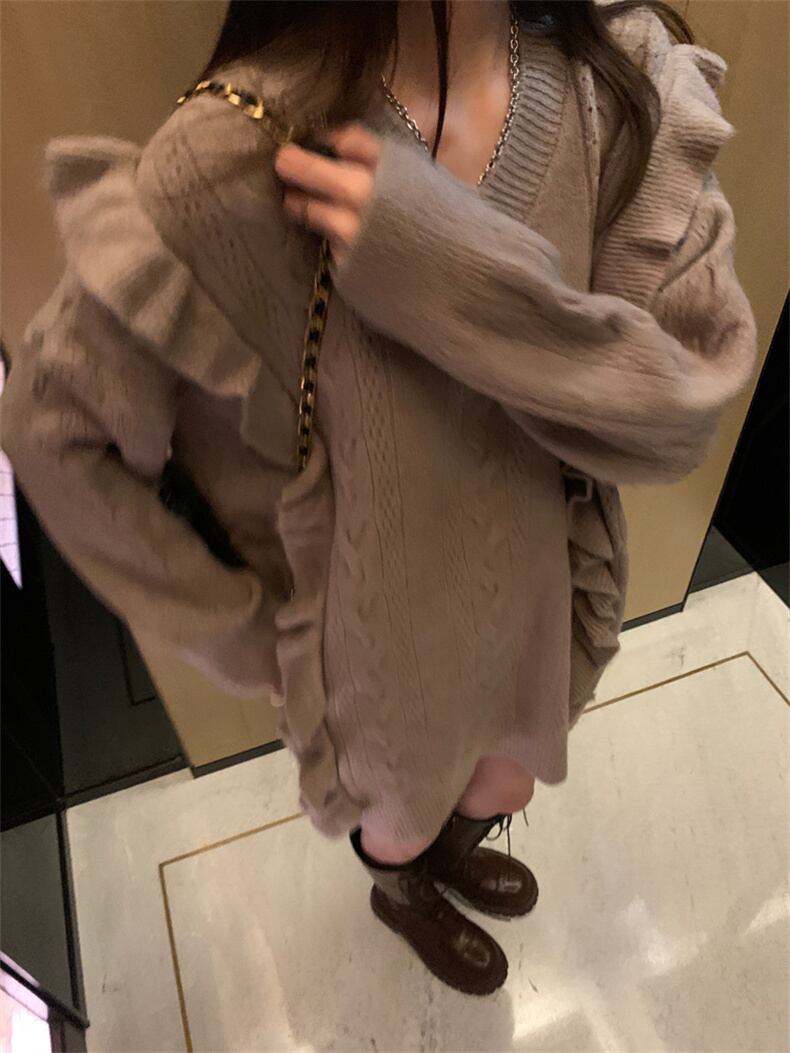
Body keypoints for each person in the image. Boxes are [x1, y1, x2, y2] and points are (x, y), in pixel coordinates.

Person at [1, 0, 757, 996]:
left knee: (507, 774)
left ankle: (446, 857)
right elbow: (54, 434)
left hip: (538, 586)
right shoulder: (235, 154)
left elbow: (683, 408)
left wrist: (449, 273)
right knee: (400, 816)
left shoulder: (617, 80)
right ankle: (404, 891)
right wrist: (246, 636)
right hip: (380, 649)